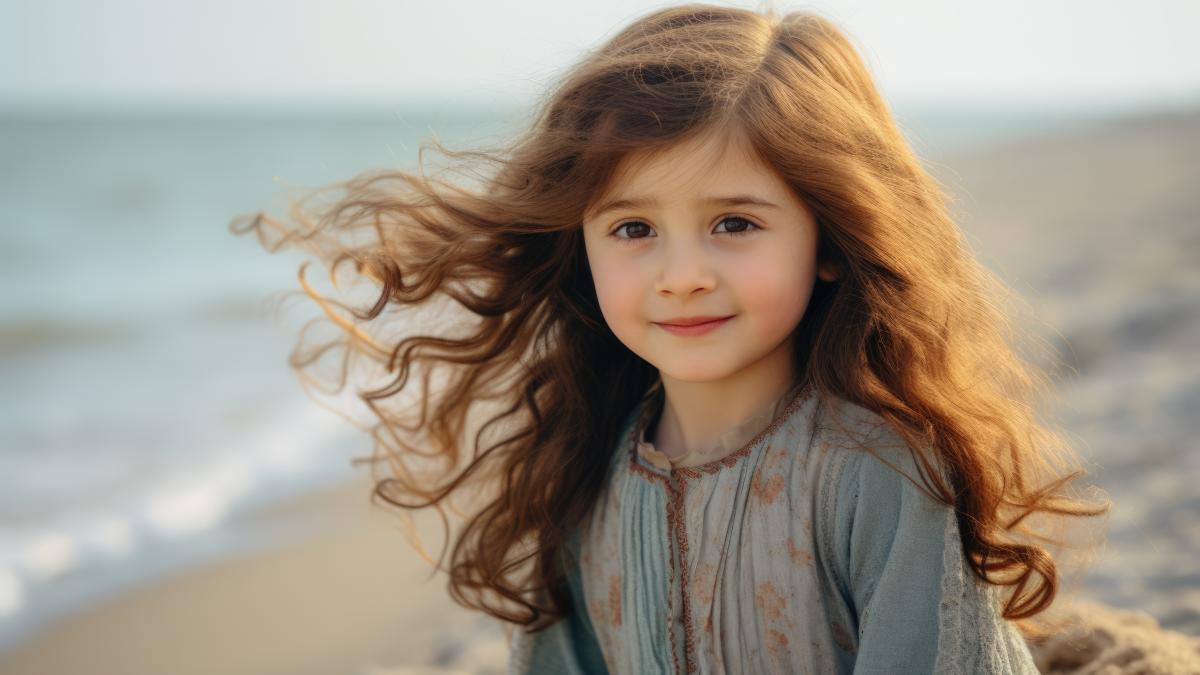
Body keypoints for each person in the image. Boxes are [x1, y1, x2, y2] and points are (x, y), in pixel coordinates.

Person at [233, 4, 1110, 673]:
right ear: (582, 245)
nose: (680, 272)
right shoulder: (581, 474)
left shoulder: (879, 468)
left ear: (832, 241)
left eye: (733, 222)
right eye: (632, 229)